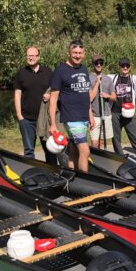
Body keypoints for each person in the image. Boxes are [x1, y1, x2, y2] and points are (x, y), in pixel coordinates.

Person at [49, 40, 95, 172]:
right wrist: (52, 123)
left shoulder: (84, 69)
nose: (77, 55)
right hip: (71, 117)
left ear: (84, 54)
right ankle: (85, 181)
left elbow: (86, 94)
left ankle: (73, 177)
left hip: (83, 117)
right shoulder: (60, 70)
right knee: (85, 151)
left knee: (74, 150)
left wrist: (90, 115)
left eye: (80, 53)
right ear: (69, 53)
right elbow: (53, 99)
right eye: (75, 53)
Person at [13, 46, 55, 163]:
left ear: (38, 57)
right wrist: (19, 116)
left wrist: (50, 95)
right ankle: (32, 177)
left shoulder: (47, 71)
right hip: (27, 119)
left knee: (50, 149)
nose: (30, 58)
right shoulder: (21, 73)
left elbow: (56, 90)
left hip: (44, 119)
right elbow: (17, 94)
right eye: (28, 55)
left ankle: (53, 175)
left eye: (33, 55)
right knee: (29, 151)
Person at [89, 54, 116, 148]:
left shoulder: (108, 79)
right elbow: (89, 98)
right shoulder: (88, 78)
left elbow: (114, 97)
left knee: (102, 142)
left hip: (106, 115)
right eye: (97, 63)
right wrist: (97, 83)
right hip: (94, 115)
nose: (99, 65)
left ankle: (101, 161)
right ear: (93, 64)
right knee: (94, 143)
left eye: (101, 63)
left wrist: (107, 95)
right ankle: (93, 161)